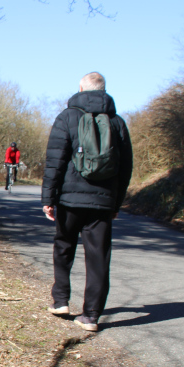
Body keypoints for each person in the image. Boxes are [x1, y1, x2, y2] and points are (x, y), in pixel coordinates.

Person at [41, 72, 133, 332]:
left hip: (69, 200)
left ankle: (60, 301)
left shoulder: (67, 117)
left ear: (81, 88)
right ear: (104, 91)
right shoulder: (117, 123)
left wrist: (48, 198)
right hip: (102, 203)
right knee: (98, 258)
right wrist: (116, 203)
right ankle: (91, 316)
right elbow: (126, 168)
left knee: (63, 247)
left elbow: (55, 162)